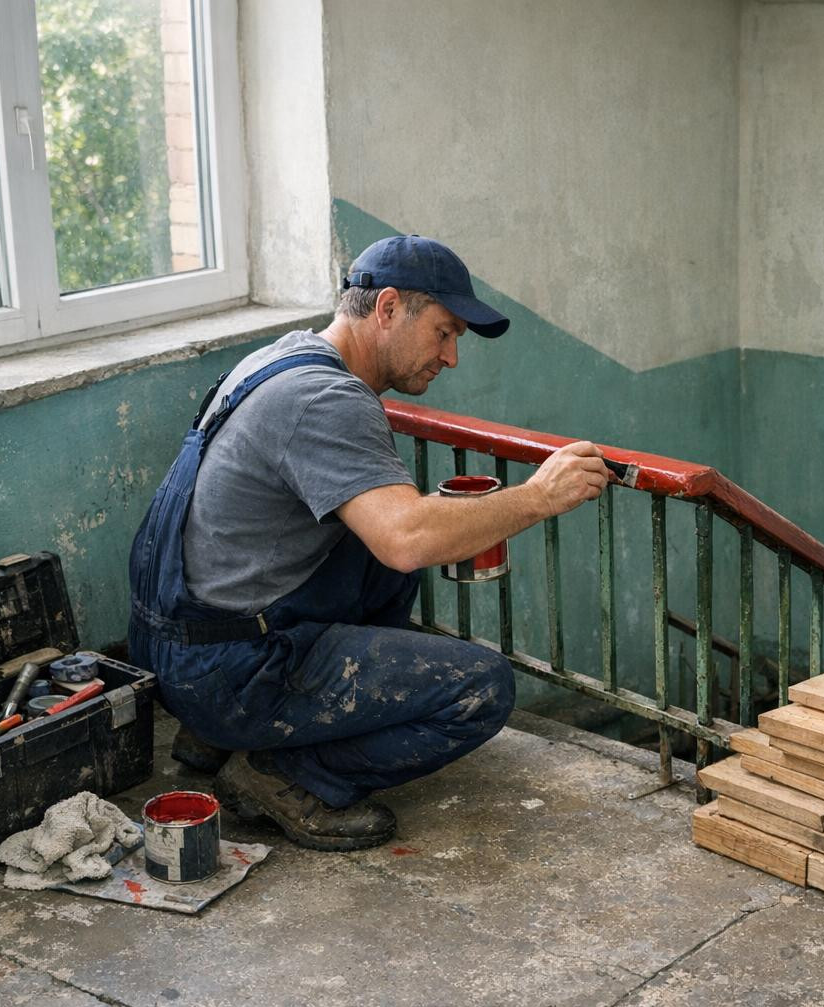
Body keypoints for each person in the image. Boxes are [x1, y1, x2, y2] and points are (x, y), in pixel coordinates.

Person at [127, 235, 614, 851]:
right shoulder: (326, 399)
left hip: (175, 643)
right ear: (386, 309)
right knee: (481, 688)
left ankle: (221, 737)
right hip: (221, 670)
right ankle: (279, 773)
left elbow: (395, 543)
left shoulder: (281, 358)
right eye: (444, 333)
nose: (452, 357)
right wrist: (540, 496)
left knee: (378, 561)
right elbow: (406, 538)